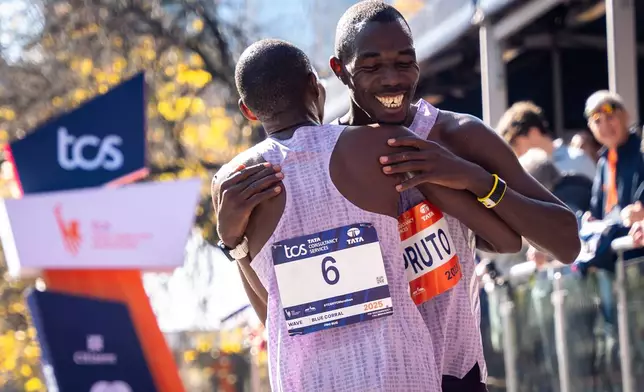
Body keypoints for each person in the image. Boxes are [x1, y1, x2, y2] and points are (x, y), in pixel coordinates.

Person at [212, 39, 521, 392]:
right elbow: (504, 238)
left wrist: (234, 245)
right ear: (316, 86)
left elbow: (272, 315)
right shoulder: (381, 146)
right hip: (402, 373)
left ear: (248, 111)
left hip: (310, 381)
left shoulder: (232, 184)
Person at [326, 2, 580, 391]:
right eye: (372, 65)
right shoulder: (325, 157)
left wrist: (471, 177)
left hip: (453, 374)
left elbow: (565, 241)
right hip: (364, 379)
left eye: (404, 61)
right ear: (340, 70)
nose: (392, 79)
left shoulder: (457, 135)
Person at [584, 90, 644, 227]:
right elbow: (598, 210)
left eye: (610, 117)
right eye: (597, 121)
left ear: (625, 116)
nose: (605, 126)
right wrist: (592, 219)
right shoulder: (603, 162)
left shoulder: (641, 152)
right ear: (590, 127)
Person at [496, 101, 597, 180]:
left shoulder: (578, 160)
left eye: (516, 145)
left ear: (533, 133)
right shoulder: (523, 174)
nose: (516, 154)